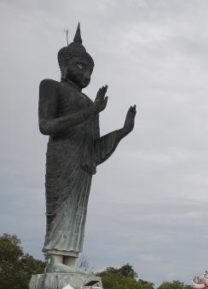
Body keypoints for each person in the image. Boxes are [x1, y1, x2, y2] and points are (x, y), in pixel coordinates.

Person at [38, 24, 136, 273]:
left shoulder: (90, 104)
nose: (87, 74)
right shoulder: (51, 86)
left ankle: (69, 259)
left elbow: (94, 148)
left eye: (90, 70)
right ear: (64, 65)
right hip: (63, 158)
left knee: (77, 211)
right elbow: (46, 125)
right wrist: (91, 110)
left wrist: (122, 131)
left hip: (82, 164)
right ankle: (54, 260)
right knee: (59, 205)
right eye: (81, 66)